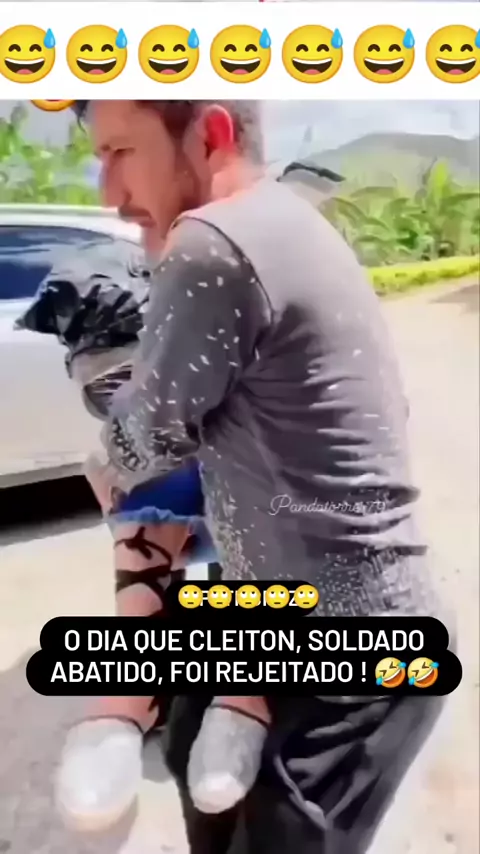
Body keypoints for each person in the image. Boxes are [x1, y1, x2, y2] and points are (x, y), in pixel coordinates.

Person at [58, 99, 446, 853]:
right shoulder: (292, 222)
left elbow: (141, 444)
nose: (109, 193)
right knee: (190, 751)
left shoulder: (213, 242)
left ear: (211, 133)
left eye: (122, 153)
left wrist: (104, 459)